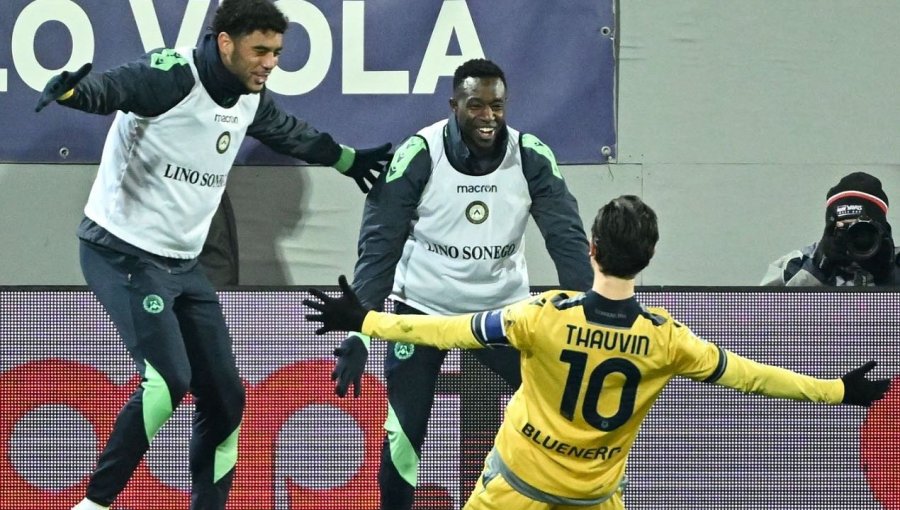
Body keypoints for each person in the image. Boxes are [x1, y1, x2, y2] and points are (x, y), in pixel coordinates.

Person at [304, 195, 892, 510]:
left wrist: (365, 321)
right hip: (593, 499)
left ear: (590, 249)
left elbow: (444, 330)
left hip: (514, 491)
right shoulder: (667, 339)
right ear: (651, 255)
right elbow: (752, 377)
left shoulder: (540, 316)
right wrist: (839, 391)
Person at [33, 1, 391, 508]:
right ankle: (93, 504)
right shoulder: (173, 76)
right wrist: (74, 92)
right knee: (168, 379)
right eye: (260, 50)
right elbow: (114, 88)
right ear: (225, 43)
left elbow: (293, 133)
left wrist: (349, 160)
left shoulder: (250, 95)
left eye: (278, 52)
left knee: (227, 399)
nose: (271, 62)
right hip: (122, 253)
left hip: (182, 265)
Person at [329, 58, 593, 508]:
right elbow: (380, 245)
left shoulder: (530, 155)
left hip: (502, 314)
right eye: (476, 105)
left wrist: (594, 319)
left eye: (497, 105)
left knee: (563, 414)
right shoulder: (419, 154)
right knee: (404, 433)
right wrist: (362, 331)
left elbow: (567, 241)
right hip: (423, 310)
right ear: (454, 105)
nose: (488, 116)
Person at [761, 172, 900, 286]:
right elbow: (762, 315)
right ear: (830, 228)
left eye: (864, 231)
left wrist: (889, 275)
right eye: (845, 228)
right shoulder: (796, 263)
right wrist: (818, 269)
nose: (855, 237)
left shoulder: (896, 261)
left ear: (883, 230)